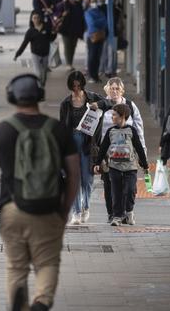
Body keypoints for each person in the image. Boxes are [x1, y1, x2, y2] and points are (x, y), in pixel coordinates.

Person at [0, 73, 80, 311]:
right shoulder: (58, 130)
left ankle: (19, 305)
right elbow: (74, 176)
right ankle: (41, 303)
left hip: (12, 210)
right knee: (48, 263)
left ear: (12, 97)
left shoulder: (0, 131)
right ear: (39, 96)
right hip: (49, 209)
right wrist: (63, 211)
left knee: (16, 267)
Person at [95, 77, 147, 222]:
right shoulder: (102, 106)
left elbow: (139, 130)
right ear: (107, 89)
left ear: (122, 90)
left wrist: (143, 151)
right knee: (110, 184)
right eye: (112, 88)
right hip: (107, 152)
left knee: (128, 186)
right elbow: (94, 129)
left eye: (117, 88)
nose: (114, 91)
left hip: (128, 152)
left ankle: (125, 212)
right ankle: (113, 213)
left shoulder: (130, 105)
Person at [59, 70, 104, 225]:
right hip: (72, 143)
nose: (76, 89)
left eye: (78, 86)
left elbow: (108, 104)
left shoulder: (93, 98)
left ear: (83, 85)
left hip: (88, 143)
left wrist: (97, 105)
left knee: (87, 179)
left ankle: (86, 207)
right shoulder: (65, 103)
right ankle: (76, 212)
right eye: (73, 86)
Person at [15, 11, 57, 86]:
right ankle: (38, 88)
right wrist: (18, 54)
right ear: (31, 19)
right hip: (35, 54)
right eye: (34, 18)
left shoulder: (46, 28)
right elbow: (24, 44)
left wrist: (54, 33)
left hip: (45, 53)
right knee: (38, 73)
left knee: (44, 75)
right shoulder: (30, 31)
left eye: (37, 18)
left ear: (40, 18)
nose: (36, 20)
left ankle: (42, 86)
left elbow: (51, 38)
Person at [59, 0, 86, 71]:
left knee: (73, 46)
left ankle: (71, 62)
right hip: (66, 30)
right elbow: (57, 14)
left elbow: (82, 17)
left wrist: (82, 29)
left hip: (76, 29)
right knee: (67, 46)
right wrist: (62, 15)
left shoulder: (78, 5)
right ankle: (68, 63)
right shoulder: (64, 4)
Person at [84, 0, 107, 83]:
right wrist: (99, 22)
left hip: (100, 36)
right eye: (92, 1)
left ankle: (96, 75)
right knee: (92, 56)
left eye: (95, 1)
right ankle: (91, 76)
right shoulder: (88, 12)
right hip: (92, 37)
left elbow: (105, 22)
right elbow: (91, 24)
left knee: (98, 57)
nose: (94, 3)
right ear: (89, 3)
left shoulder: (100, 11)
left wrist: (98, 21)